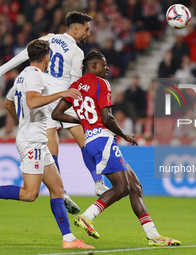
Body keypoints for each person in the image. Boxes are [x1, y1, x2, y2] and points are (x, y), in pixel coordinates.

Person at [0, 39, 94, 250]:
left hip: (36, 140)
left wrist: (23, 121)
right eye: (50, 56)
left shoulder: (21, 76)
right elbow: (32, 101)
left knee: (57, 188)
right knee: (29, 194)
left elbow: (8, 103)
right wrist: (61, 93)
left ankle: (68, 239)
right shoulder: (35, 75)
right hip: (32, 142)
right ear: (46, 57)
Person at [52, 51, 181, 246]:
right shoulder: (101, 83)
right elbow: (107, 118)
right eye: (104, 65)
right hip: (103, 140)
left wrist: (81, 120)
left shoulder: (75, 86)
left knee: (135, 187)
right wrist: (124, 135)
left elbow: (56, 113)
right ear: (94, 66)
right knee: (122, 187)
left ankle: (153, 236)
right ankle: (87, 217)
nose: (107, 69)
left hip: (91, 141)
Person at [0, 11, 109, 214]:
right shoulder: (77, 53)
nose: (88, 33)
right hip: (61, 98)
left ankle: (62, 191)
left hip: (44, 95)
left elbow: (23, 55)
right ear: (75, 29)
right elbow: (75, 84)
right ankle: (98, 183)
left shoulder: (48, 39)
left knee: (51, 144)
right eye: (87, 29)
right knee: (84, 140)